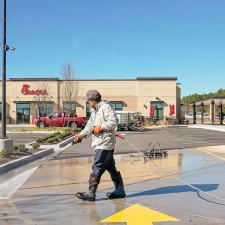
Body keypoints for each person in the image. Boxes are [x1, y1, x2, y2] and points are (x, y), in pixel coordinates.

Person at [74, 90, 126, 202]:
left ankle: (91, 193)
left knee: (97, 166)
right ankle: (120, 191)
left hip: (105, 143)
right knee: (111, 168)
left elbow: (114, 121)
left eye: (88, 101)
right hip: (101, 143)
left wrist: (101, 127)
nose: (88, 104)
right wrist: (81, 135)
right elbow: (89, 126)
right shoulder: (95, 111)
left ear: (92, 100)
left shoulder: (105, 107)